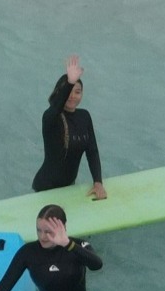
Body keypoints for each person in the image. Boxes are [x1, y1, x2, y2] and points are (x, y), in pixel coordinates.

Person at [33, 54, 109, 199]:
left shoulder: (84, 116)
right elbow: (56, 108)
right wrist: (69, 82)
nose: (73, 96)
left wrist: (98, 182)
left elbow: (92, 151)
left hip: (68, 187)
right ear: (59, 93)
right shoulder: (51, 118)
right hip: (46, 188)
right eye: (69, 92)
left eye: (77, 92)